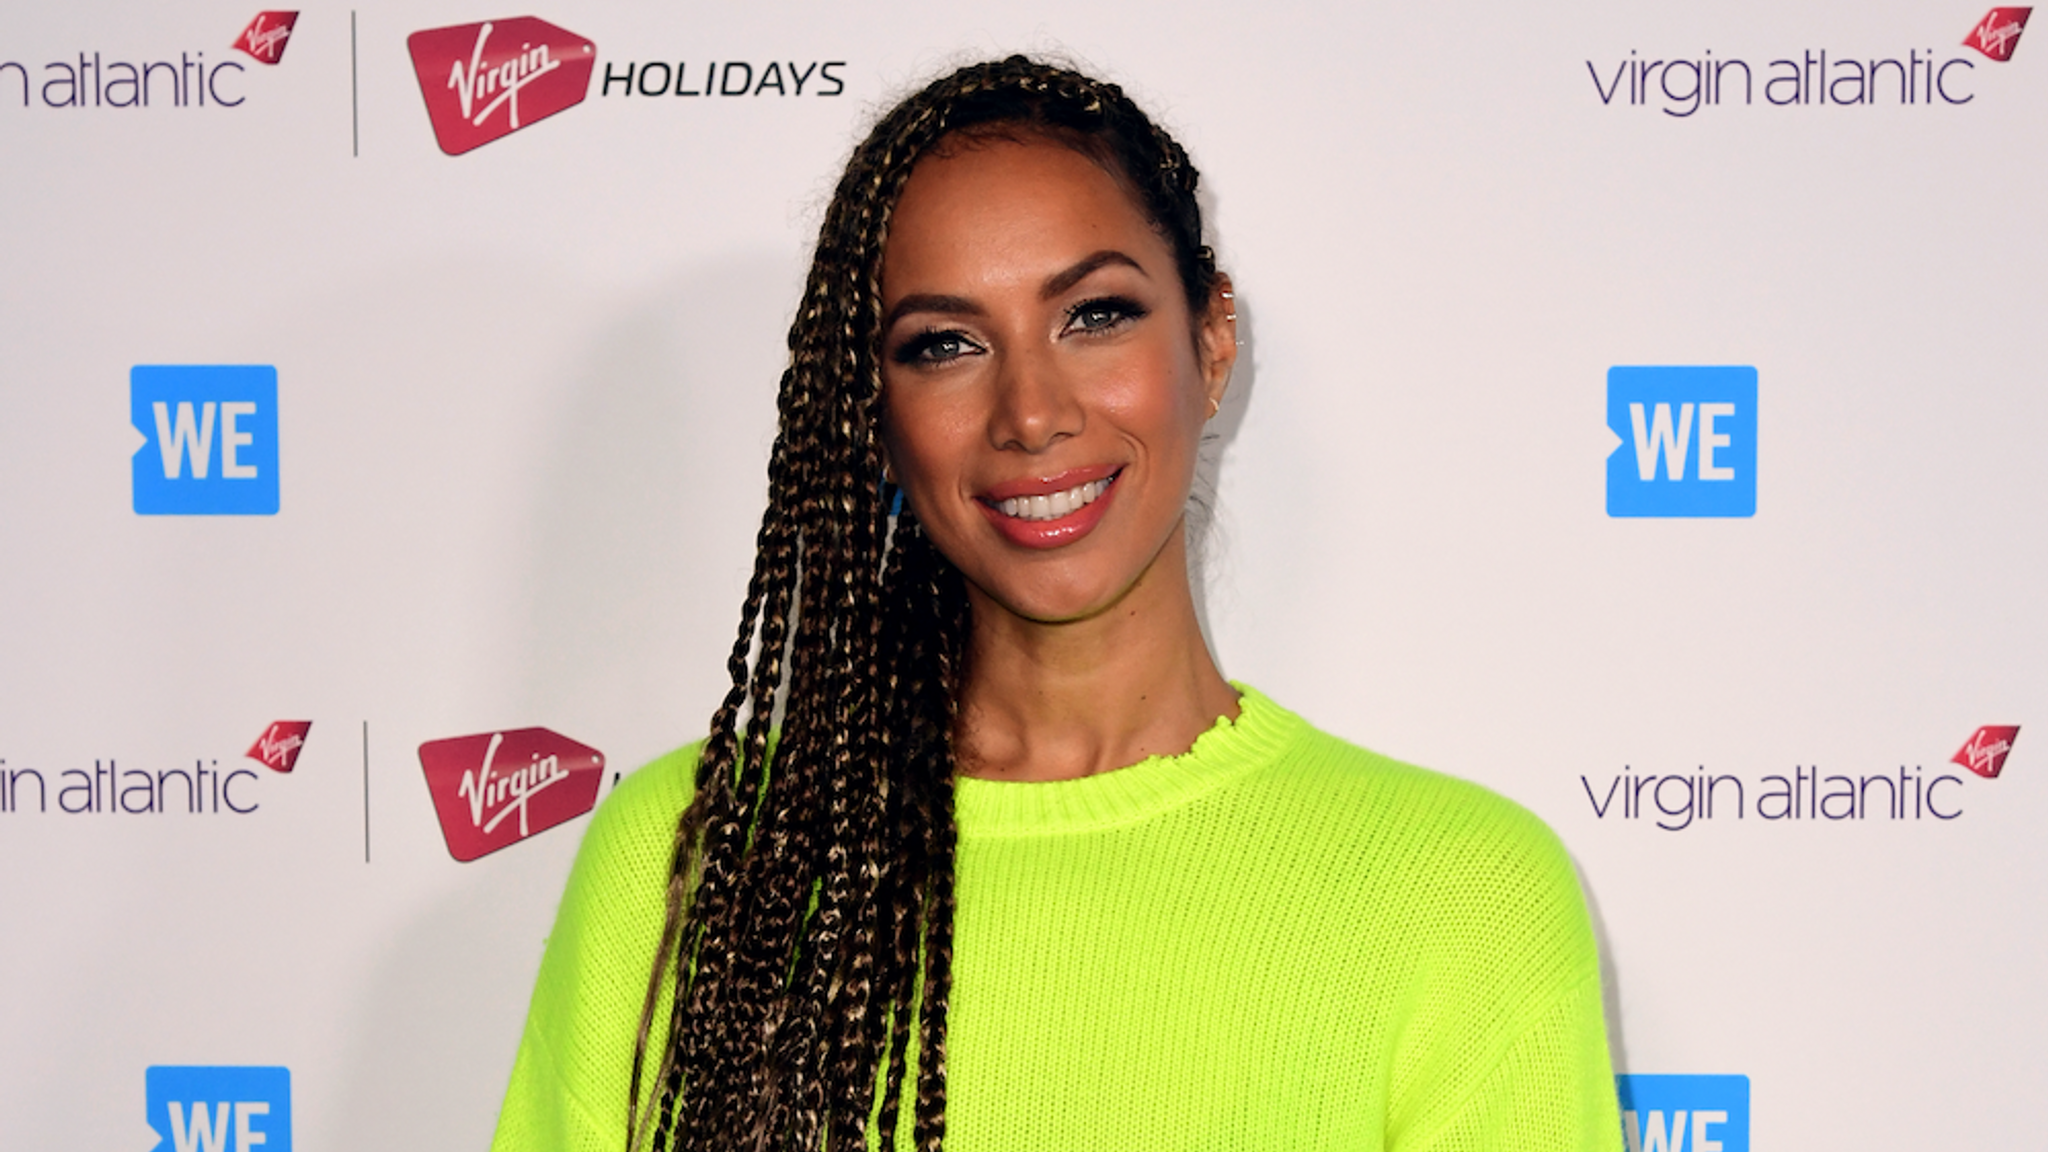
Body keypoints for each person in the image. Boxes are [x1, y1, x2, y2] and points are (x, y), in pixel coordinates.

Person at [491, 55, 1621, 1152]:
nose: (1030, 414)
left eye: (1094, 315)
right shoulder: (695, 862)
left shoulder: (1462, 894)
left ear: (1211, 339)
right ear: (874, 412)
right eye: (944, 344)